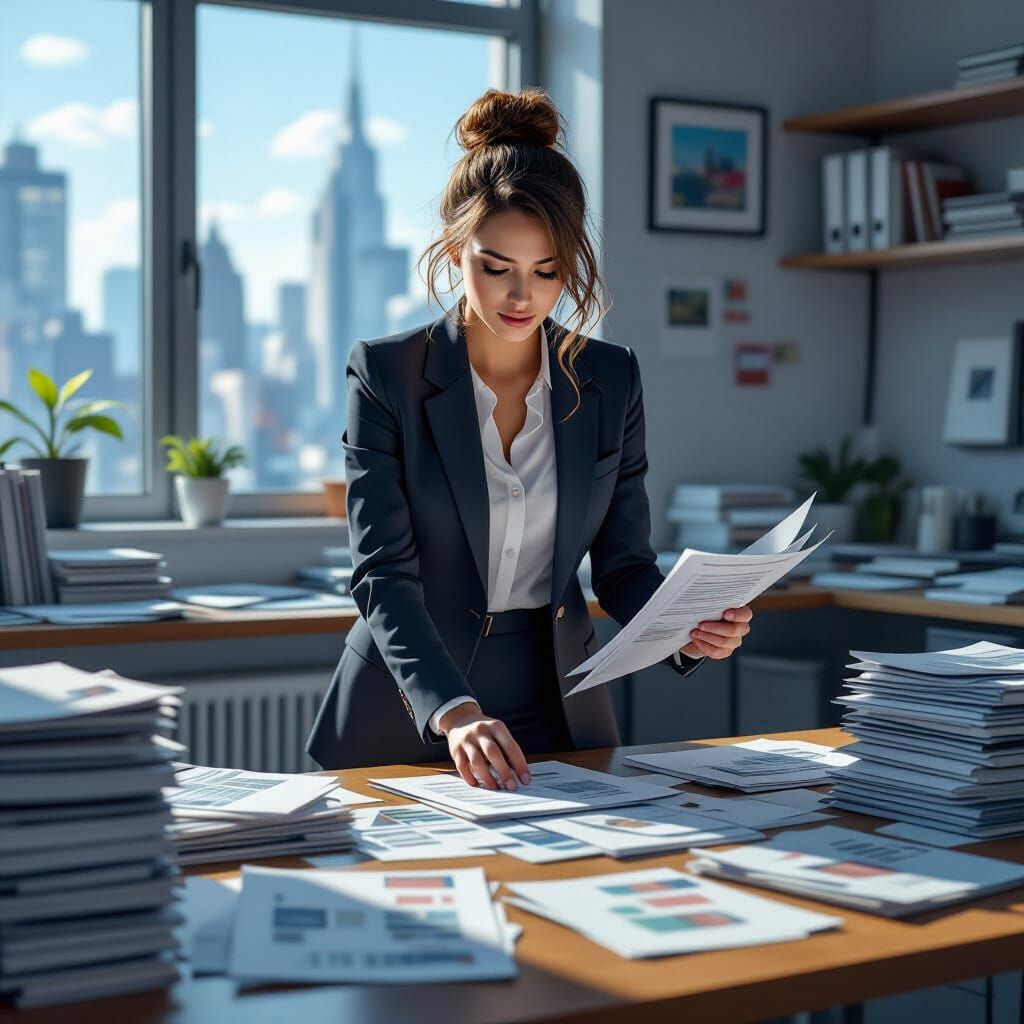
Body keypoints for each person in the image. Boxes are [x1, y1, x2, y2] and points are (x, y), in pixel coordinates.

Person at [306, 87, 753, 788]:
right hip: (414, 702)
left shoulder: (611, 378)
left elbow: (625, 566)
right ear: (456, 251)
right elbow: (382, 575)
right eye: (497, 268)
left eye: (548, 272)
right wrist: (455, 712)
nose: (523, 297)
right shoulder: (388, 373)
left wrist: (688, 626)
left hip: (560, 700)